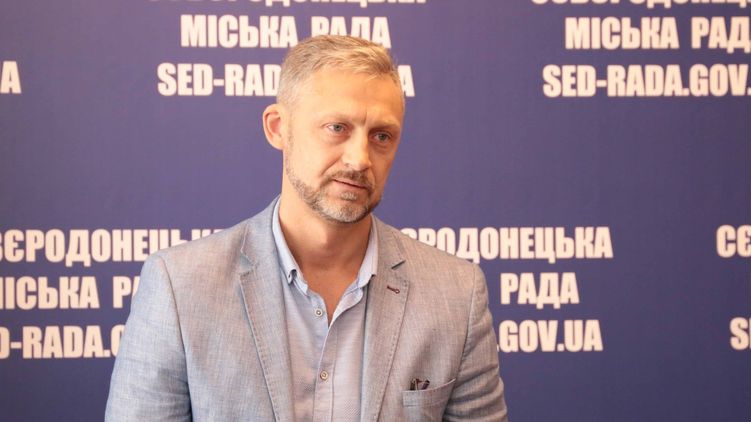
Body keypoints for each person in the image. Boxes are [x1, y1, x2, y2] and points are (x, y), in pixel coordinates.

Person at [105, 35, 508, 422]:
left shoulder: (456, 294)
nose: (359, 158)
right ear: (278, 128)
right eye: (337, 128)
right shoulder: (180, 286)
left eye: (381, 136)